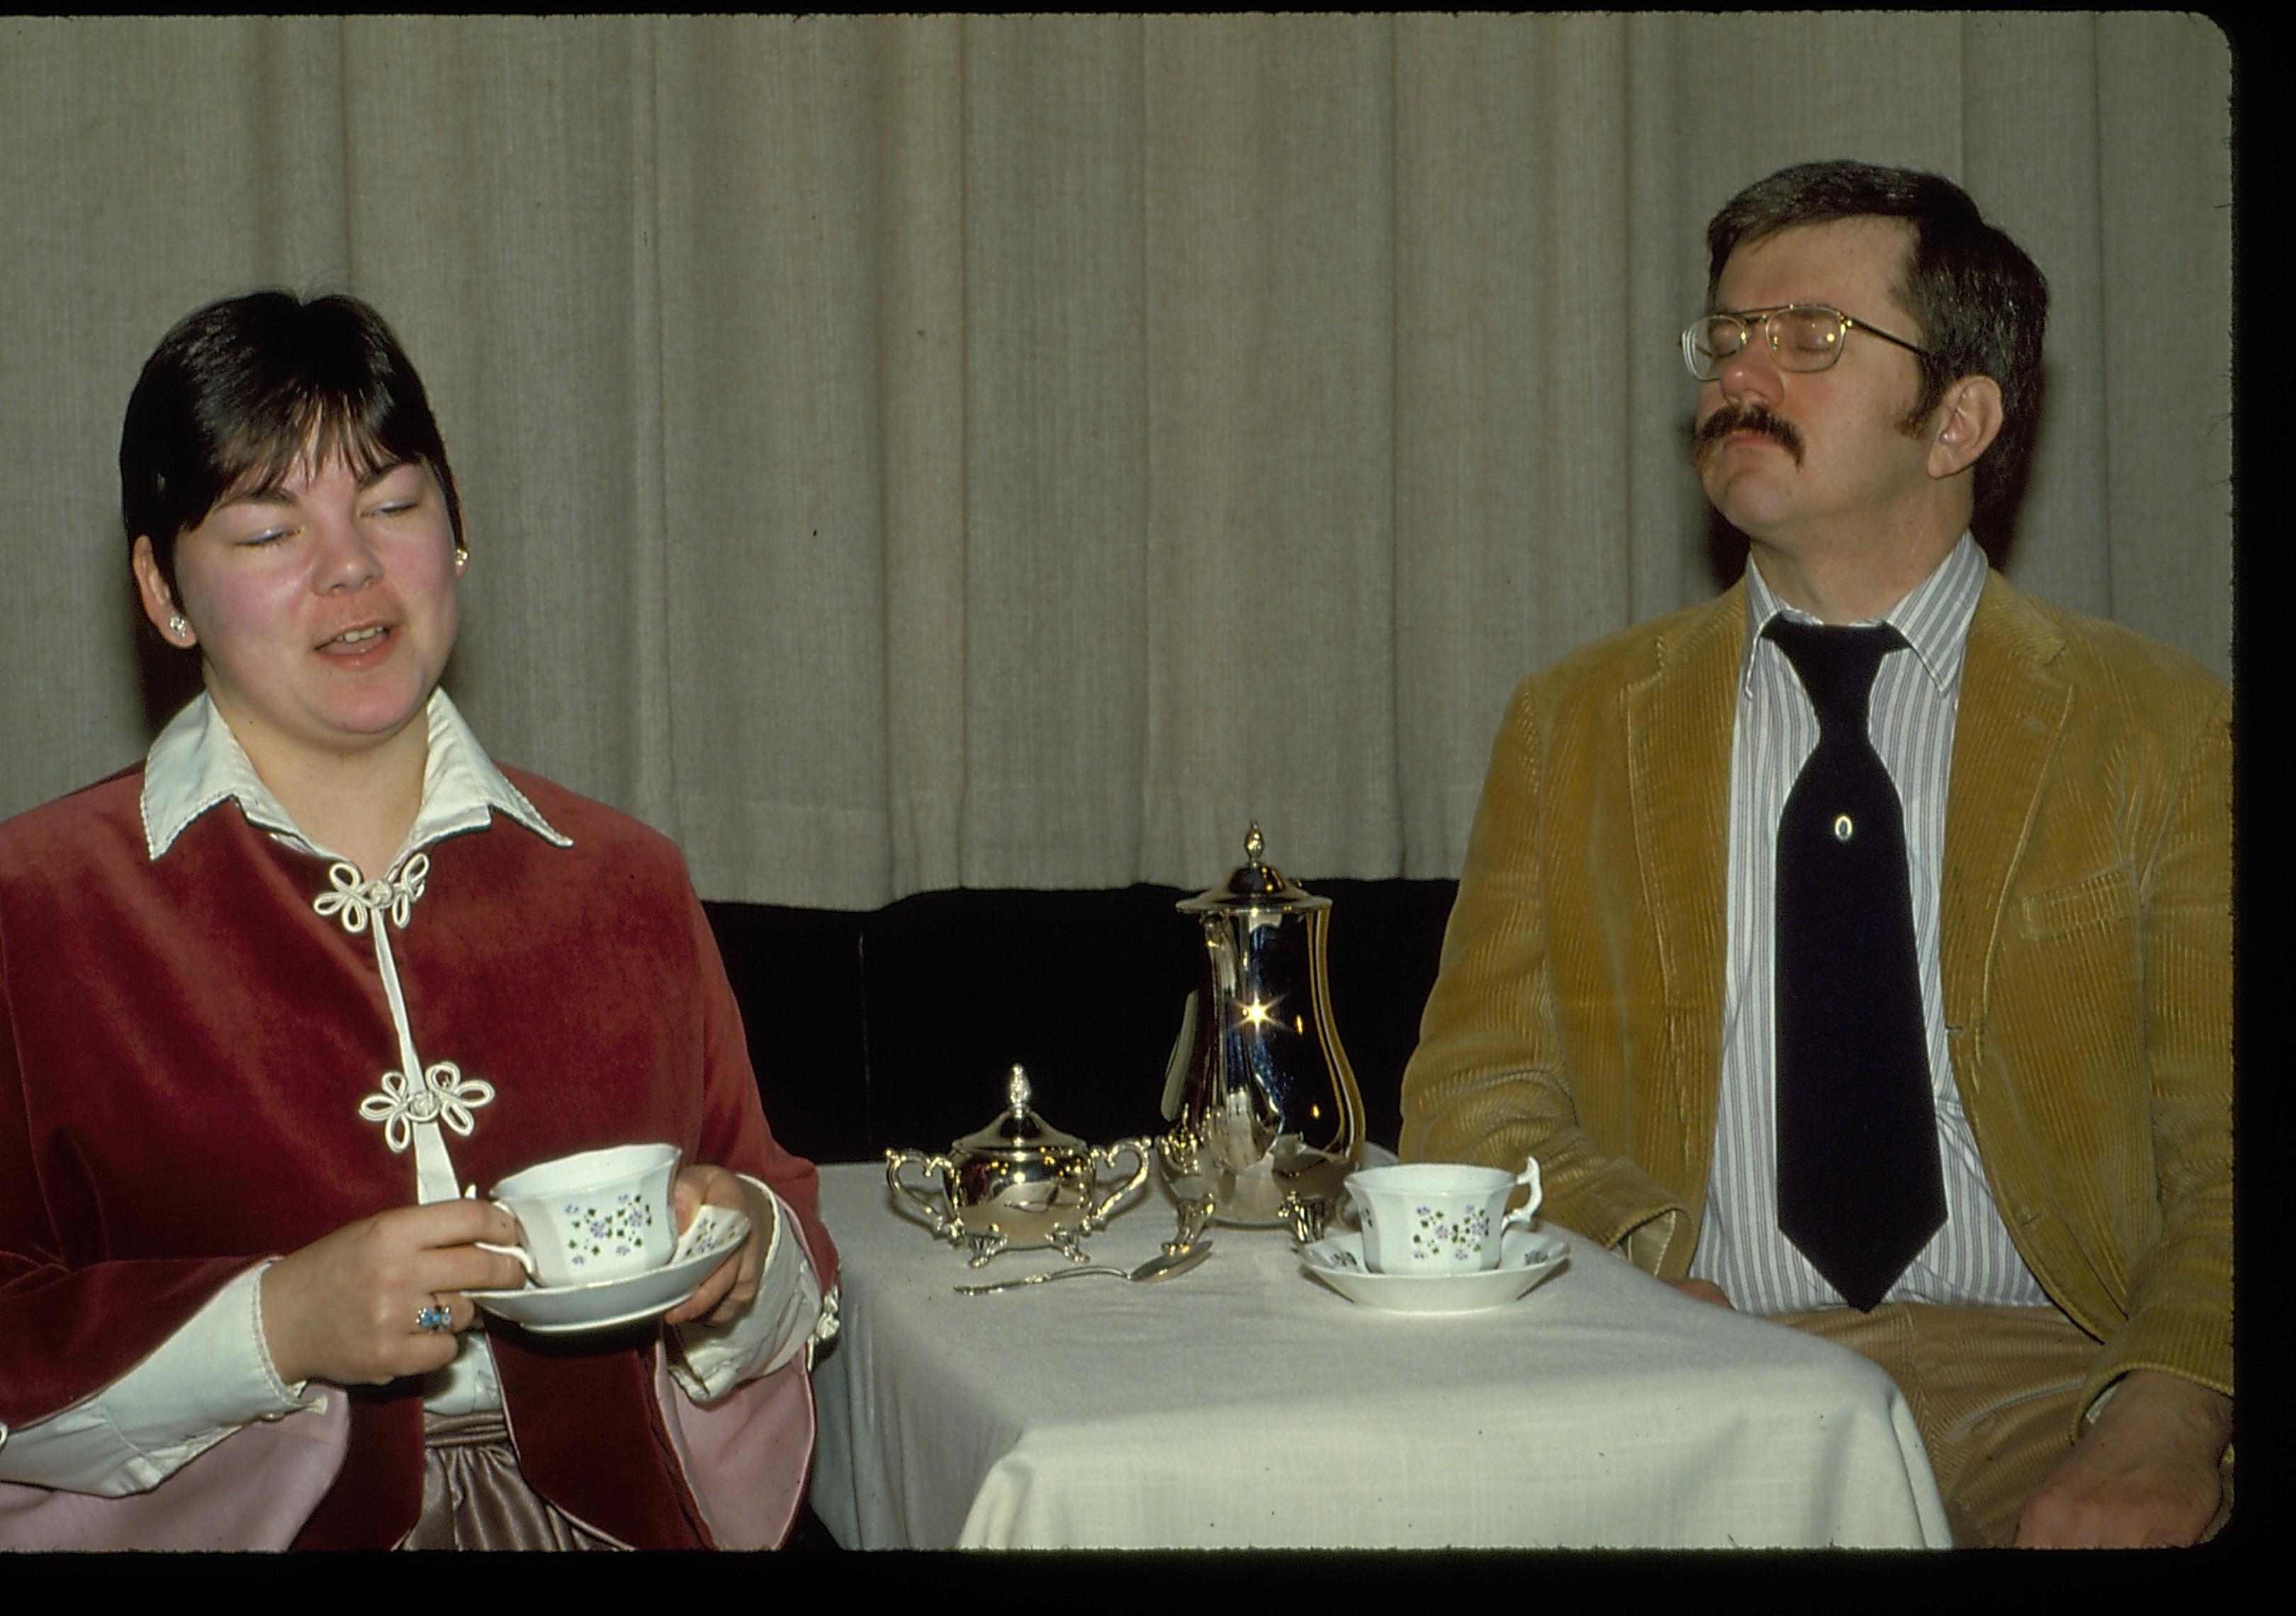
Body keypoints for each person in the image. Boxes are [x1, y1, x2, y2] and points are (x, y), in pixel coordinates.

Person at [1399, 160, 2230, 1549]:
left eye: (1812, 338)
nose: (1743, 373)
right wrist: (1643, 1261)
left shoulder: (2166, 729)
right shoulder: (1577, 723)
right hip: (1704, 1362)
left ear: (1958, 418)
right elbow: (1477, 1096)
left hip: (2058, 1373)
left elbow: (2225, 1138)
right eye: (1727, 336)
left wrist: (2174, 1408)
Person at [0, 291, 839, 1549]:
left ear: (457, 534)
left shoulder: (625, 882)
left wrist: (742, 1261)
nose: (351, 569)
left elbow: (787, 1234)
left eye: (392, 507)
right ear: (162, 590)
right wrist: (274, 1324)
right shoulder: (37, 910)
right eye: (268, 529)